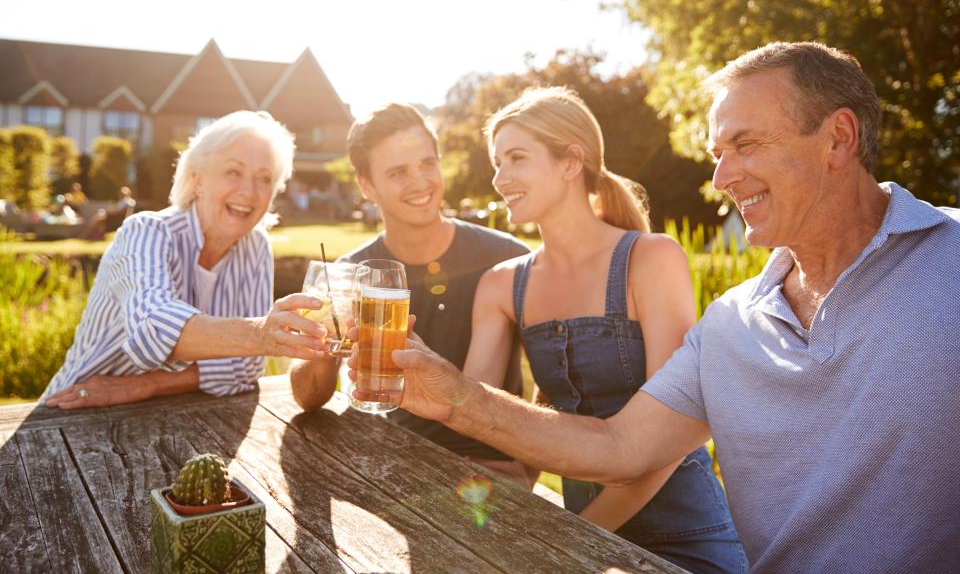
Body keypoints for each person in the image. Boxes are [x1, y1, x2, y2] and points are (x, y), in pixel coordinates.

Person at [349, 42, 960, 574]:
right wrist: (456, 397)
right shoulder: (731, 324)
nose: (721, 177)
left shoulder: (949, 259)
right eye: (717, 152)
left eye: (744, 145)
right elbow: (619, 448)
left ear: (839, 137)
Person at [460, 86, 744, 572]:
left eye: (516, 158)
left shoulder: (650, 259)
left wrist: (576, 538)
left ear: (571, 162)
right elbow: (479, 416)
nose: (499, 178)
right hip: (583, 538)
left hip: (685, 538)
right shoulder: (501, 286)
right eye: (497, 162)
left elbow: (672, 437)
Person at [289, 103, 531, 485]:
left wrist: (527, 465)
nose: (421, 182)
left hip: (489, 471)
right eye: (398, 172)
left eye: (427, 164)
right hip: (394, 460)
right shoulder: (351, 272)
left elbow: (558, 383)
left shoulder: (510, 257)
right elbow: (307, 396)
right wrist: (324, 340)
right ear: (366, 186)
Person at [43, 110, 328, 409]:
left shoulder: (255, 245)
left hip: (177, 414)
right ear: (198, 180)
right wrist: (262, 335)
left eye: (264, 178)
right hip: (74, 409)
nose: (248, 191)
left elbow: (245, 368)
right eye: (233, 171)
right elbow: (152, 331)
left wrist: (144, 385)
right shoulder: (146, 231)